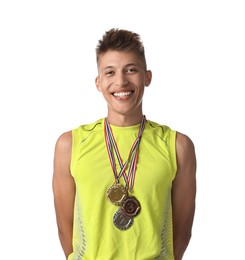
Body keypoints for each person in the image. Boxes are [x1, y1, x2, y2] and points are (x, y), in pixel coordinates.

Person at [52, 28, 196, 260]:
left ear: (147, 77)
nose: (121, 81)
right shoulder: (70, 145)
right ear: (98, 82)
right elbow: (64, 227)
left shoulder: (178, 146)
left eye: (131, 70)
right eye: (110, 72)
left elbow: (182, 231)